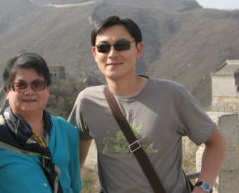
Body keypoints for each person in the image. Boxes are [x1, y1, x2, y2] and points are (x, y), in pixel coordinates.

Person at [68, 16, 226, 193]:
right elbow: (73, 162)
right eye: (104, 48)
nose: (112, 54)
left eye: (121, 45)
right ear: (95, 54)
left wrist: (202, 187)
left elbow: (216, 142)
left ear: (138, 49)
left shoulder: (171, 95)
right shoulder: (87, 101)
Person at [0, 52, 82, 193]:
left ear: (48, 89)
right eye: (21, 85)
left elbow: (75, 186)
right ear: (8, 91)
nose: (29, 91)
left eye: (37, 84)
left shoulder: (66, 131)